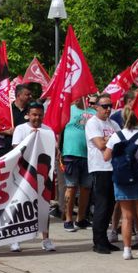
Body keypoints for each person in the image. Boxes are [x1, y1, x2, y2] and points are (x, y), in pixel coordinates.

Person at [104, 105, 138, 261]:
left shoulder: (116, 136)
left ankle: (127, 250)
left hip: (121, 178)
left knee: (126, 217)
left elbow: (106, 157)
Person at [10, 101, 57, 253]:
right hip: (23, 172)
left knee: (44, 205)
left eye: (40, 115)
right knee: (19, 205)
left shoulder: (48, 130)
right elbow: (15, 150)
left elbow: (53, 150)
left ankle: (46, 238)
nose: (37, 118)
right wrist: (29, 139)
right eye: (34, 115)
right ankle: (15, 239)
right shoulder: (20, 129)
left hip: (43, 173)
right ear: (28, 115)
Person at [86, 94, 122, 254]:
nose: (108, 109)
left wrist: (110, 139)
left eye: (110, 106)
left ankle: (105, 240)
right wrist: (111, 140)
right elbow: (100, 144)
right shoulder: (92, 123)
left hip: (114, 167)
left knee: (111, 206)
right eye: (105, 106)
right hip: (100, 167)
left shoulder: (113, 123)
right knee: (102, 204)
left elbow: (122, 141)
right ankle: (98, 241)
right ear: (97, 107)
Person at [61, 96, 96, 232]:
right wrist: (59, 149)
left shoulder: (93, 113)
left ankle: (80, 219)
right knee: (71, 187)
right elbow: (59, 130)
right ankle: (68, 218)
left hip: (89, 156)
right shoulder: (68, 110)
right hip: (70, 154)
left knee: (86, 188)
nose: (75, 98)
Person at [0, 84, 32, 158]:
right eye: (27, 94)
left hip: (24, 152)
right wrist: (7, 132)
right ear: (19, 95)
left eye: (30, 94)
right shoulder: (7, 110)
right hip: (5, 151)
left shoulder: (31, 112)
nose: (30, 97)